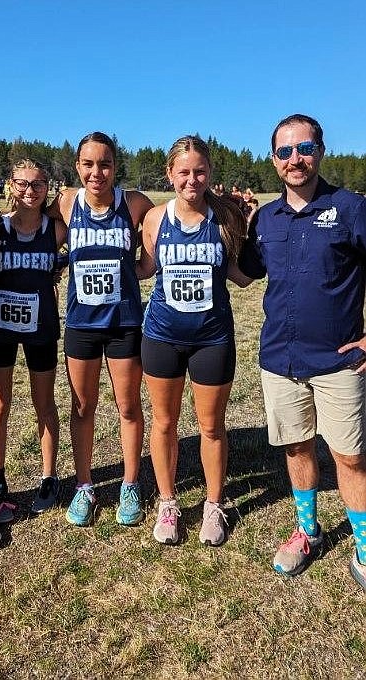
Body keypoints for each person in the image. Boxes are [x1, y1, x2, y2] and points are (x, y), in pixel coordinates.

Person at [237, 113, 366, 590]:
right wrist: (231, 218)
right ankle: (307, 529)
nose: (296, 159)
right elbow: (245, 274)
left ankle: (363, 542)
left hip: (339, 360)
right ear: (274, 161)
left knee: (349, 457)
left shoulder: (351, 208)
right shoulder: (266, 218)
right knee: (297, 446)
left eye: (304, 148)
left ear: (320, 152)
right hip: (281, 360)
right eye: (285, 151)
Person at [137, 135, 246, 545]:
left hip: (212, 339)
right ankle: (168, 503)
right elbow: (147, 268)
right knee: (164, 422)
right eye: (183, 171)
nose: (192, 179)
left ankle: (213, 505)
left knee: (211, 426)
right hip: (162, 336)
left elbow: (240, 274)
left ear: (210, 173)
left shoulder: (226, 219)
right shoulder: (154, 220)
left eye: (200, 171)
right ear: (170, 174)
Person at [48, 131, 153, 527]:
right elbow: (30, 217)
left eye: (105, 164)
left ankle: (129, 482)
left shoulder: (133, 203)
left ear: (115, 166)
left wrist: (144, 264)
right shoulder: (66, 202)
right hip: (80, 324)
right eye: (88, 164)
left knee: (127, 406)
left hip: (124, 322)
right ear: (77, 167)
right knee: (82, 406)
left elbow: (162, 222)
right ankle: (85, 485)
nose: (97, 172)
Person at [0, 159, 67, 522]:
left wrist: (61, 266)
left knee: (43, 403)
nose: (29, 191)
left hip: (41, 328)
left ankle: (49, 477)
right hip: (0, 328)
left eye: (37, 185)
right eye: (22, 184)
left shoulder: (56, 229)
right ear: (10, 185)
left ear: (47, 188)